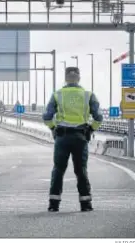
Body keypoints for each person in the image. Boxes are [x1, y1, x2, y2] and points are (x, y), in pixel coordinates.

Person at [42, 66, 103, 212]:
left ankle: (53, 204)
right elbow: (99, 117)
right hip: (80, 137)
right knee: (81, 170)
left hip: (62, 137)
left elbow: (47, 116)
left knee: (58, 169)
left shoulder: (58, 95)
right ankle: (86, 204)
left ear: (65, 78)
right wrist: (91, 129)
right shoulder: (88, 95)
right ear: (79, 77)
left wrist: (53, 129)